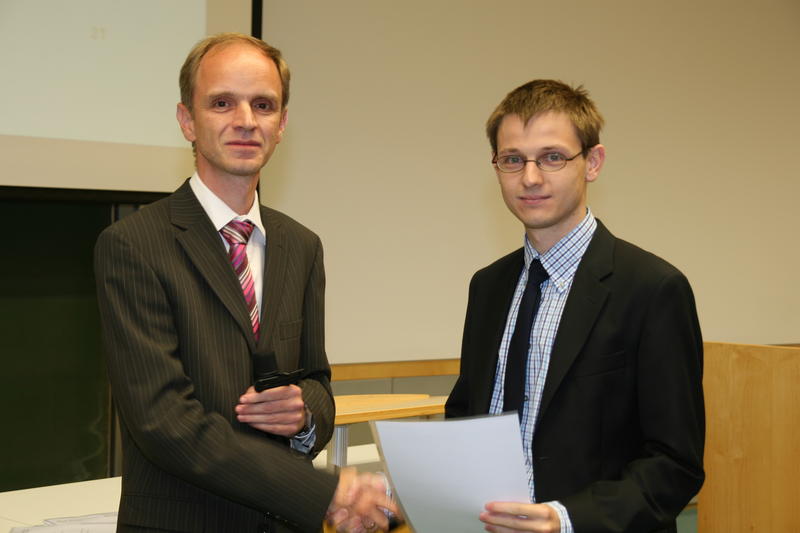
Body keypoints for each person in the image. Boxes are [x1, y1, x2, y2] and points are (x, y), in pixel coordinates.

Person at [95, 33, 394, 533]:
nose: (246, 120)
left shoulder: (302, 245)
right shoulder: (133, 244)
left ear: (282, 125)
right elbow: (165, 423)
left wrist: (304, 414)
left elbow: (317, 383)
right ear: (187, 121)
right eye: (221, 103)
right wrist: (322, 491)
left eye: (263, 105)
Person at [445, 80, 704, 533]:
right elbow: (467, 417)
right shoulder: (487, 287)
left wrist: (565, 520)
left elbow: (674, 464)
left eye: (552, 157)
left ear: (593, 162)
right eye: (512, 159)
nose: (530, 177)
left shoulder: (653, 288)